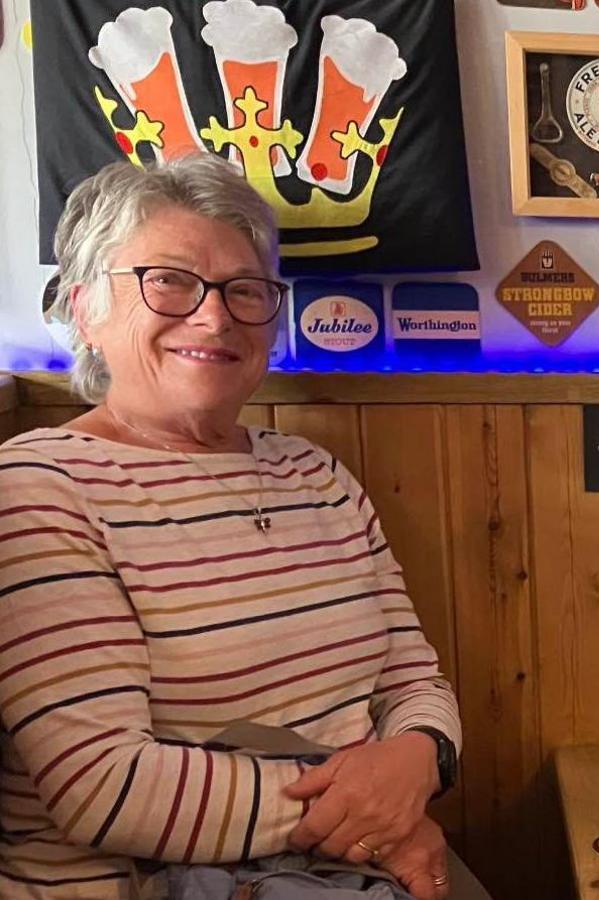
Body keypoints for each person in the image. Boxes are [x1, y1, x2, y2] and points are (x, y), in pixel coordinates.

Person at [0, 155, 460, 899]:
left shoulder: (317, 475)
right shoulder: (38, 486)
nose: (213, 315)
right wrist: (382, 817)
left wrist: (420, 758)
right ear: (86, 309)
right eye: (170, 281)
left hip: (354, 877)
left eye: (243, 290)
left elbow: (414, 680)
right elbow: (101, 783)